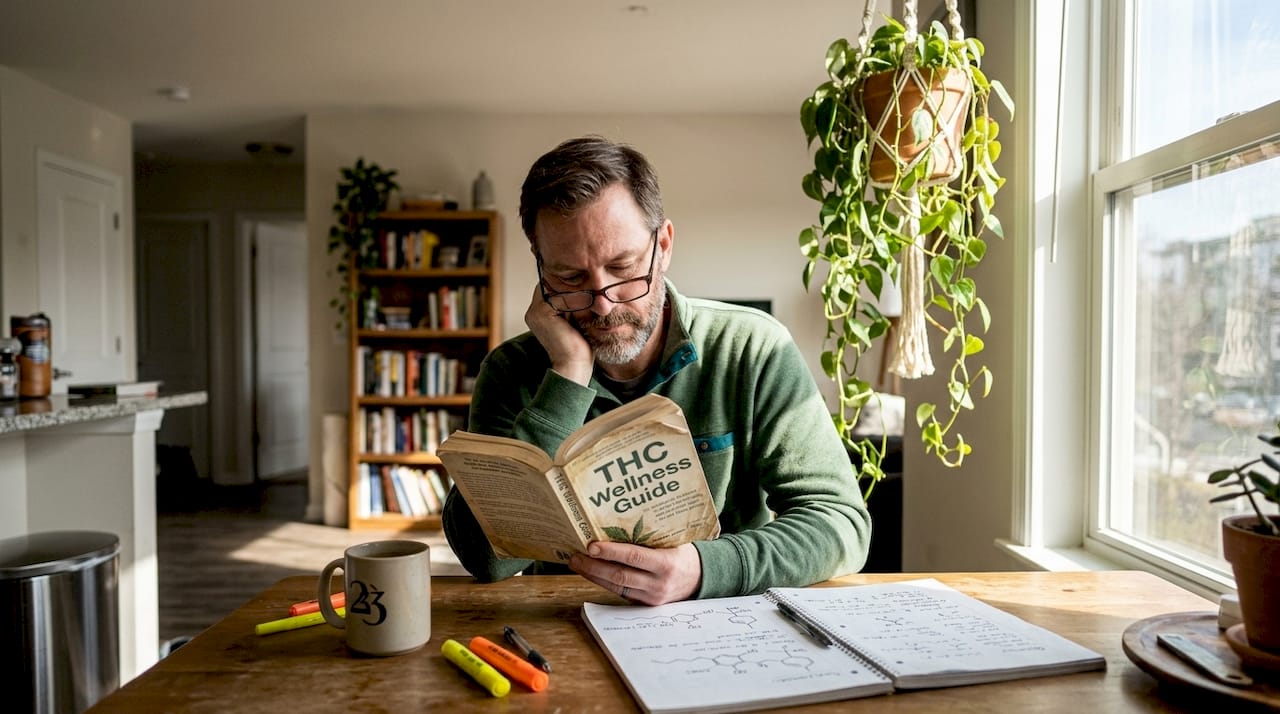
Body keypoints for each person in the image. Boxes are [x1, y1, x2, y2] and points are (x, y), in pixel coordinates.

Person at [442, 135, 871, 605]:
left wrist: (706, 567)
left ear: (663, 245)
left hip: (725, 619)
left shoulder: (753, 347)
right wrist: (566, 376)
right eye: (570, 278)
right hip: (564, 621)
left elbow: (840, 523)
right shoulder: (510, 371)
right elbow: (486, 560)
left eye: (623, 267)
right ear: (541, 269)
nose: (603, 305)